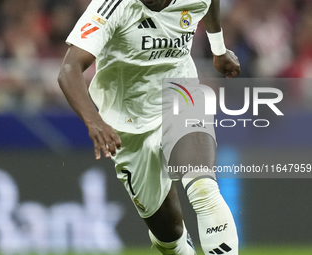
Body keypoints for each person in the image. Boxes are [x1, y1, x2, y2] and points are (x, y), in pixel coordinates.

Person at [58, 0, 241, 254]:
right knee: (169, 236)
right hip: (128, 125)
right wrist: (94, 121)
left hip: (180, 96)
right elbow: (69, 69)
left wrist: (218, 49)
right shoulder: (112, 6)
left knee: (203, 187)